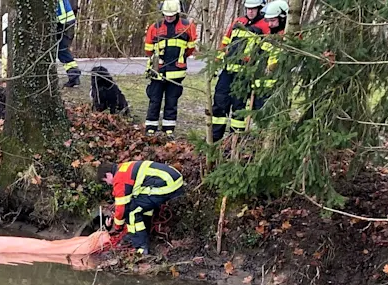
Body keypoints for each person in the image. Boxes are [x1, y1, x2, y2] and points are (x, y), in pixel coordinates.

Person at [210, 0, 271, 143]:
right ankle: (214, 138)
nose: (250, 11)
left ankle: (235, 142)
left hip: (245, 76)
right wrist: (217, 61)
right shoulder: (238, 22)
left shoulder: (265, 27)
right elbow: (225, 42)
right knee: (219, 103)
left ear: (260, 9)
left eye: (253, 9)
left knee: (238, 108)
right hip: (227, 71)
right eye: (248, 8)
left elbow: (266, 54)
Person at [97, 160, 185, 255]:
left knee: (132, 211)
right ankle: (142, 233)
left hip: (167, 186)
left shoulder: (120, 178)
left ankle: (141, 248)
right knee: (142, 206)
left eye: (106, 181)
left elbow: (122, 208)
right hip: (174, 180)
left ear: (108, 175)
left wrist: (117, 227)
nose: (109, 184)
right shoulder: (123, 168)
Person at [143, 0, 197, 137]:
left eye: (171, 15)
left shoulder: (187, 26)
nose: (168, 18)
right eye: (166, 15)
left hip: (177, 72)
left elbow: (190, 48)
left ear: (177, 13)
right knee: (155, 99)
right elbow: (148, 49)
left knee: (172, 101)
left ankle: (168, 128)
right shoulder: (155, 27)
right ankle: (151, 126)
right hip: (158, 71)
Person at [55, 0, 82, 88]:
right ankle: (74, 76)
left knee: (61, 50)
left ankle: (74, 75)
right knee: (62, 50)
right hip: (65, 21)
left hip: (63, 22)